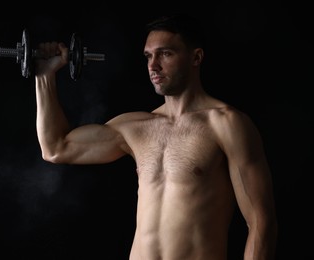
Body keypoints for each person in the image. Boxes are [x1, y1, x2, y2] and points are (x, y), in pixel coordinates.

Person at [33, 14, 278, 260]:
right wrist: (45, 77)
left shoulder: (227, 124)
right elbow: (55, 147)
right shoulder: (135, 127)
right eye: (149, 56)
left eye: (165, 54)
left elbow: (260, 222)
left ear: (196, 57)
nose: (153, 66)